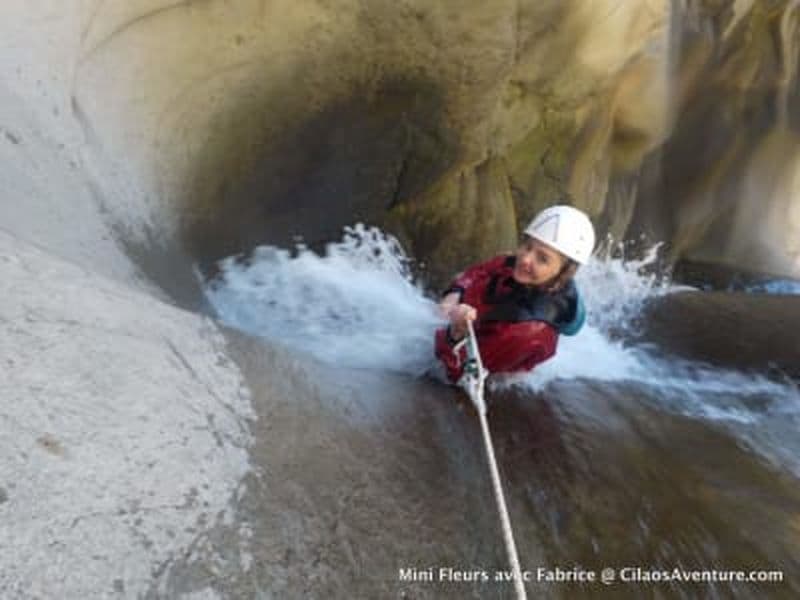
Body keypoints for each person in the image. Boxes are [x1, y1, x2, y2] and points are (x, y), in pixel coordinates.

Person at [434, 204, 595, 383]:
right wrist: (455, 293)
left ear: (562, 273)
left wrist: (455, 334)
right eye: (527, 246)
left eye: (542, 259)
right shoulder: (521, 268)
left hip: (476, 349)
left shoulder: (527, 333)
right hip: (463, 321)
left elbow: (458, 375)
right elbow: (480, 271)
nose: (525, 258)